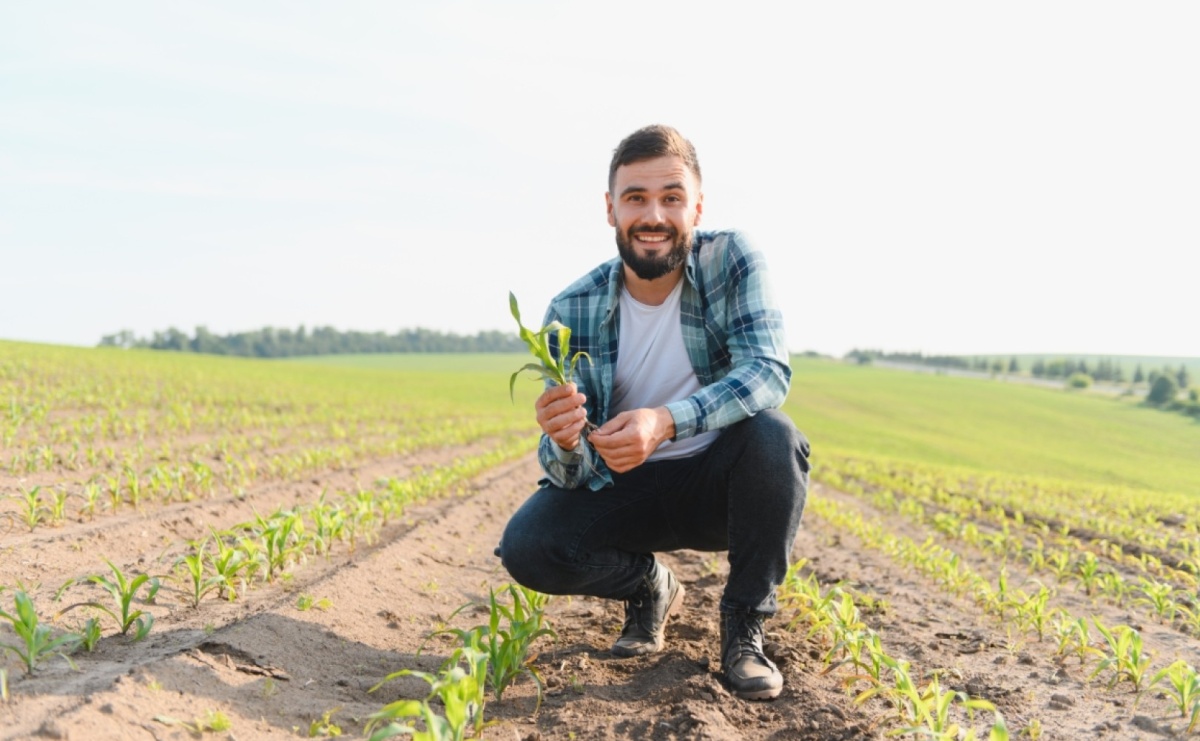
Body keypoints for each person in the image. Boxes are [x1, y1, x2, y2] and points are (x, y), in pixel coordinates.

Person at [498, 124, 810, 701]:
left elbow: (768, 372)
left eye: (671, 197)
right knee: (528, 546)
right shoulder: (571, 308)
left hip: (719, 487)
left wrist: (665, 421)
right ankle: (648, 586)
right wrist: (565, 441)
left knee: (773, 437)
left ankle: (744, 629)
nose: (654, 215)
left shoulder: (732, 260)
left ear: (697, 206)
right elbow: (570, 475)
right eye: (636, 197)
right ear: (611, 208)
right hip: (627, 490)